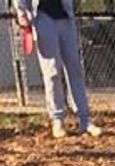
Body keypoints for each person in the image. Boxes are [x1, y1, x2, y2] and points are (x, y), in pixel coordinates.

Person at [15, 0, 101, 139]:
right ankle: (57, 120)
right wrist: (22, 12)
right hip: (42, 17)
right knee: (52, 71)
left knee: (75, 69)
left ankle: (85, 120)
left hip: (66, 16)